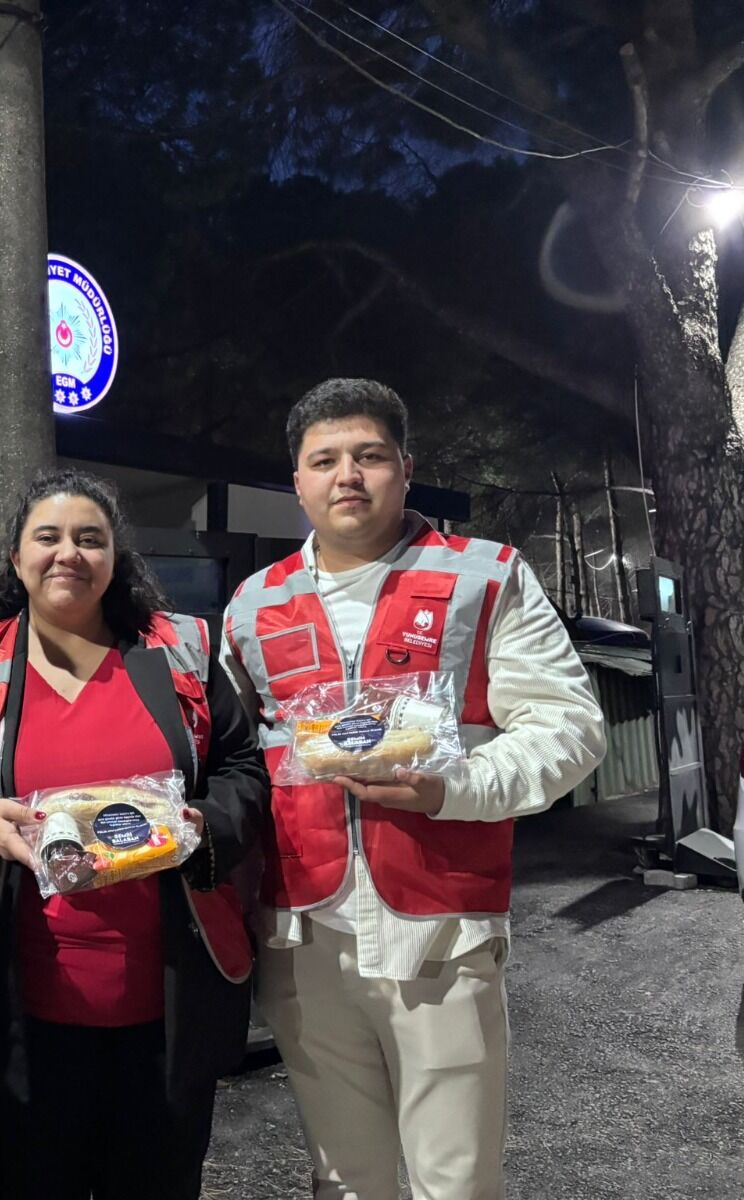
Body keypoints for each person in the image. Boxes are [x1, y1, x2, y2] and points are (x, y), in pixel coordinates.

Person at [221, 378, 606, 1200]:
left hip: (441, 928)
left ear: (406, 467)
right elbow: (232, 758)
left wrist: (448, 787)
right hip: (301, 933)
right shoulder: (254, 604)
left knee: (455, 1182)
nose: (347, 476)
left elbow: (571, 729)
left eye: (369, 456)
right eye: (324, 460)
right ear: (298, 481)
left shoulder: (486, 575)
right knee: (344, 1179)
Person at [0, 468, 268, 1200]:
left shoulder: (181, 652)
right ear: (17, 557)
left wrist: (203, 824)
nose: (69, 553)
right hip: (22, 1018)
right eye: (49, 536)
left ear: (115, 558)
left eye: (90, 539)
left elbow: (244, 766)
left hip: (165, 1014)